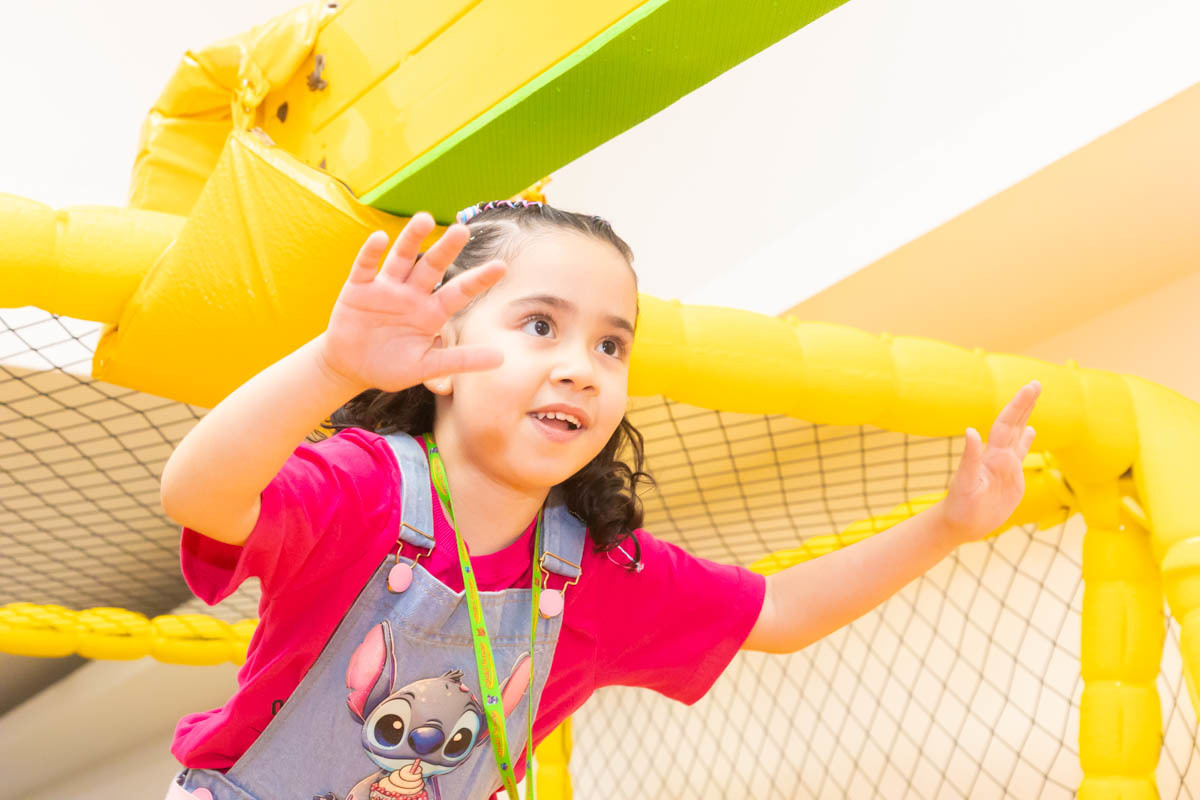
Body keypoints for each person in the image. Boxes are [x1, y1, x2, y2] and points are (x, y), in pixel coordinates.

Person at [159, 200, 1041, 800]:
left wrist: (949, 526)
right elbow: (199, 495)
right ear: (442, 352)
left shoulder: (595, 570)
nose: (581, 367)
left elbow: (780, 614)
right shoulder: (366, 488)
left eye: (611, 345)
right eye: (540, 326)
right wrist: (330, 366)